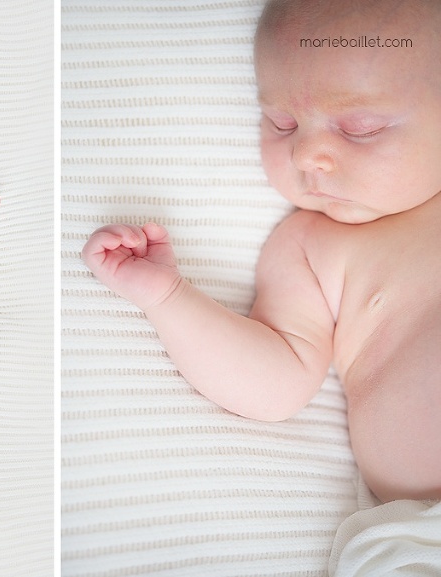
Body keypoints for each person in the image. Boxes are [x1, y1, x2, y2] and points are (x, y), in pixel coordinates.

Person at [82, 0, 441, 504]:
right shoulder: (313, 245)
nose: (304, 156)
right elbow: (274, 381)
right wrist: (168, 297)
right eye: (281, 123)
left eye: (359, 127)